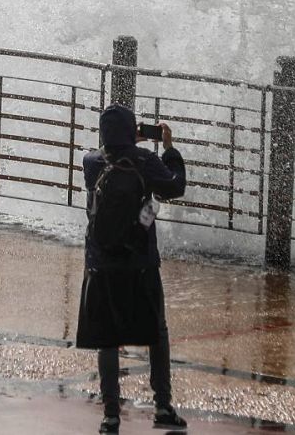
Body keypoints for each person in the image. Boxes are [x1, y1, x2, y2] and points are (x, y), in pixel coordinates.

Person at [76, 104, 187, 434]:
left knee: (108, 338)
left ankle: (111, 415)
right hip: (140, 264)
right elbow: (175, 186)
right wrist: (169, 151)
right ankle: (163, 406)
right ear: (131, 131)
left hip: (101, 264)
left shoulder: (92, 163)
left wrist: (124, 140)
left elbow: (104, 157)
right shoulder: (146, 161)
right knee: (157, 331)